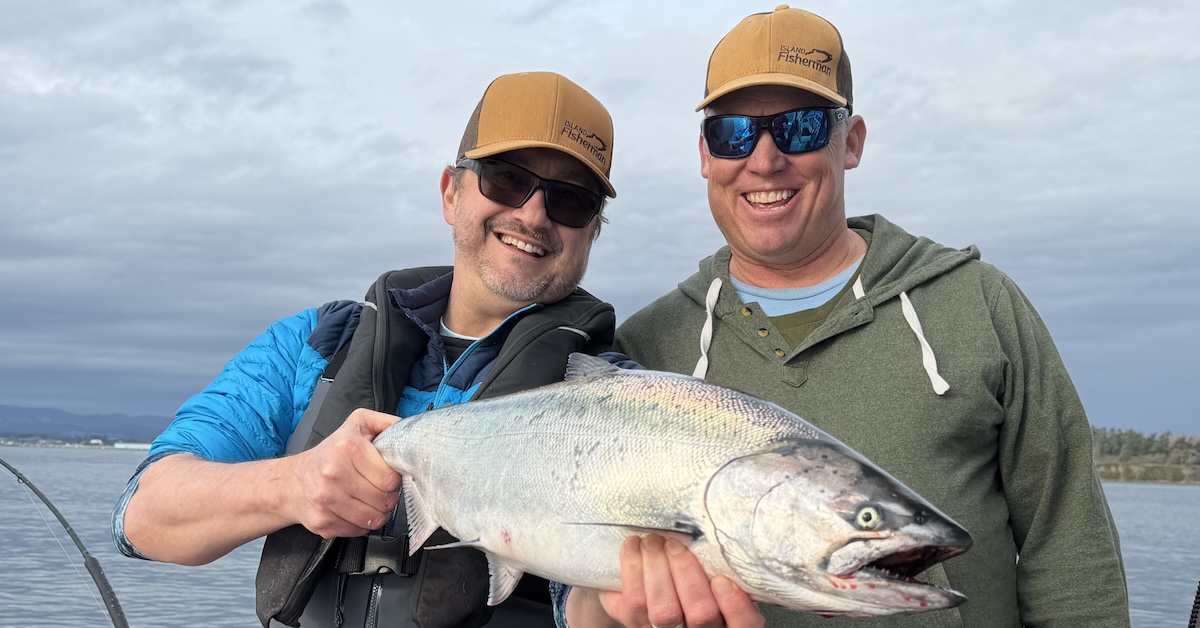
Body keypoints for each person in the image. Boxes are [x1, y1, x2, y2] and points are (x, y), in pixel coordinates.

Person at [562, 5, 1130, 628]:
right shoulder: (639, 352)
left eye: (801, 127)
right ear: (706, 154)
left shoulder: (982, 306)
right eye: (735, 131)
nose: (765, 158)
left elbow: (1070, 547)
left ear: (851, 141)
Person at [112, 71, 625, 628]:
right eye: (505, 180)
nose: (532, 214)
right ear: (451, 192)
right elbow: (142, 516)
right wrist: (293, 484)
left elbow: (587, 607)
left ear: (594, 229)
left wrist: (632, 600)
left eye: (570, 200)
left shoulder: (616, 399)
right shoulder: (314, 344)